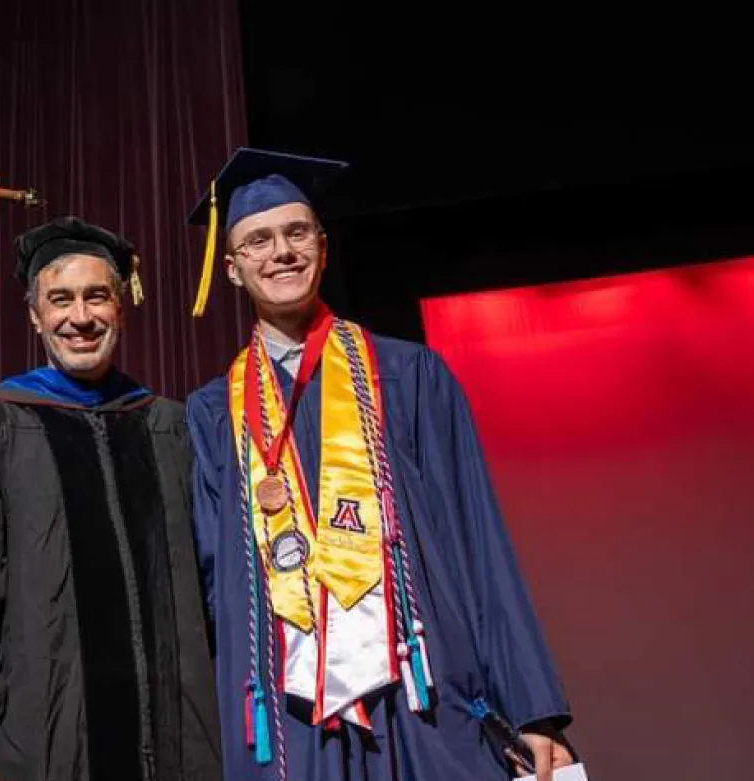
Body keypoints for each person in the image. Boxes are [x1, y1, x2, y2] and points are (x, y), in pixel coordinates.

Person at [184, 149, 576, 781]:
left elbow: (478, 542)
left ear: (323, 246)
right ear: (231, 269)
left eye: (296, 233)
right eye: (258, 240)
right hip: (291, 710)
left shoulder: (410, 376)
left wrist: (532, 706)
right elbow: (212, 584)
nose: (281, 251)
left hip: (419, 685)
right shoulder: (211, 415)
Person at [0, 216, 222, 781]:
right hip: (43, 748)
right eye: (60, 300)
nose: (80, 317)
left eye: (97, 297)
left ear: (121, 307)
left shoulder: (169, 427)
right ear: (35, 315)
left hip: (179, 747)